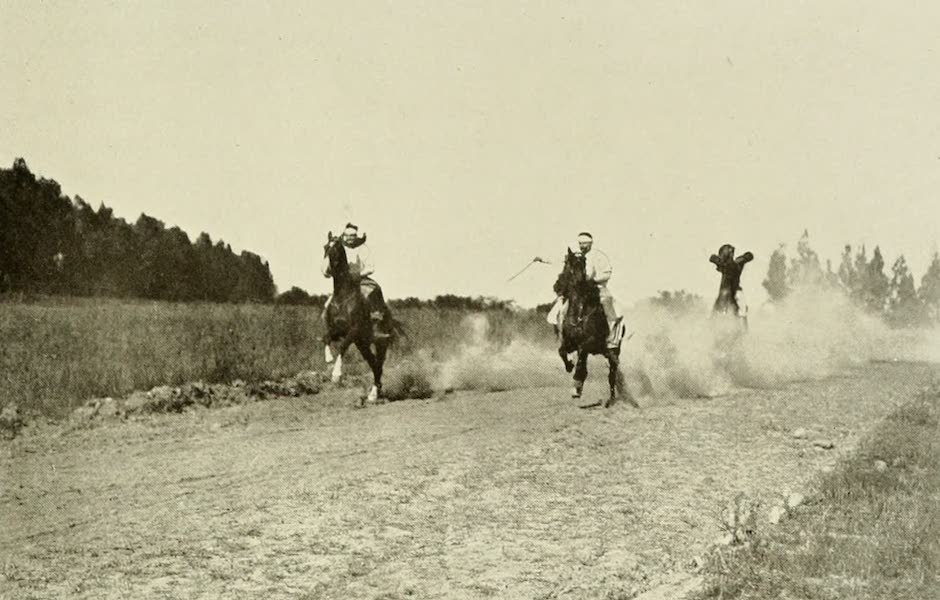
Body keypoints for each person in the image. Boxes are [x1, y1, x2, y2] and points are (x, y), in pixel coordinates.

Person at [547, 232, 623, 347]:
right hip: (579, 291)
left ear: (591, 243)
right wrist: (541, 259)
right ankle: (563, 336)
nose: (582, 246)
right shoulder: (576, 256)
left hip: (598, 288)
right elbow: (558, 261)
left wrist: (593, 280)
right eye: (580, 243)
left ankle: (611, 339)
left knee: (607, 303)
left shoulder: (599, 256)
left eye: (585, 244)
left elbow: (607, 273)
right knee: (559, 307)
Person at [321, 223, 391, 334]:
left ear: (356, 236)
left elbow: (370, 267)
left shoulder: (363, 248)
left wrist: (358, 275)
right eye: (347, 235)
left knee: (373, 292)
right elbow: (327, 268)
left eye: (352, 236)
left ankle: (376, 322)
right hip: (343, 283)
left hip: (361, 280)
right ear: (343, 235)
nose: (350, 238)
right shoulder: (338, 247)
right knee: (327, 305)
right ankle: (329, 330)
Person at [709, 243, 754, 319]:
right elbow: (712, 258)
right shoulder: (727, 264)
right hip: (729, 291)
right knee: (741, 309)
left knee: (742, 309)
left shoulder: (734, 263)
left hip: (734, 291)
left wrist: (744, 258)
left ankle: (743, 328)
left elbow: (749, 255)